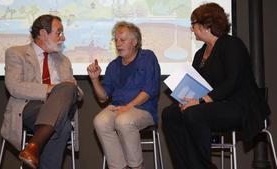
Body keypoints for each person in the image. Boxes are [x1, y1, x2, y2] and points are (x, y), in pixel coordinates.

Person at [161, 3, 271, 169]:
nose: (192, 29)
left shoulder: (232, 44)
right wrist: (188, 98)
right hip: (213, 105)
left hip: (239, 105)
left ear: (207, 25)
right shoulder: (200, 53)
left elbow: (233, 81)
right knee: (170, 114)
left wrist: (201, 101)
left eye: (193, 24)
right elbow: (198, 83)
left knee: (193, 113)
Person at [0, 14, 83, 169]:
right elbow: (14, 86)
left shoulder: (63, 60)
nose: (63, 38)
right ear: (43, 34)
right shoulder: (16, 53)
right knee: (63, 126)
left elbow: (76, 92)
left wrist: (69, 90)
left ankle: (33, 147)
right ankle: (35, 148)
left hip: (61, 106)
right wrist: (51, 89)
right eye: (59, 32)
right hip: (30, 107)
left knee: (68, 88)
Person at [87, 21, 161, 169]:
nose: (118, 43)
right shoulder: (114, 65)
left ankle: (136, 167)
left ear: (134, 42)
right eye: (116, 40)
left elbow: (148, 92)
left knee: (124, 121)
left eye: (122, 40)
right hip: (118, 107)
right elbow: (103, 97)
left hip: (143, 108)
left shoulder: (147, 57)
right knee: (100, 121)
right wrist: (95, 79)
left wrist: (127, 107)